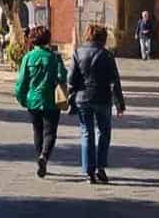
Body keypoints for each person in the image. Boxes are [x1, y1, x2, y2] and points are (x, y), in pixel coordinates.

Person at [68, 23, 126, 184]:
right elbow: (115, 81)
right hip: (103, 98)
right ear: (103, 38)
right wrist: (119, 104)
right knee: (104, 132)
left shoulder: (78, 53)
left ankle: (89, 171)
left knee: (87, 133)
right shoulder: (107, 55)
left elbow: (71, 79)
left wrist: (71, 96)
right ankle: (100, 167)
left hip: (83, 98)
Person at [14, 25, 67, 178]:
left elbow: (22, 81)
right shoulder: (54, 57)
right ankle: (44, 156)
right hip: (51, 101)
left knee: (37, 131)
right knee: (50, 132)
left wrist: (22, 98)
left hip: (33, 100)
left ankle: (40, 157)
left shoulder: (28, 57)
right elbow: (63, 77)